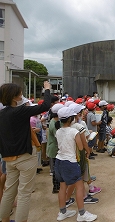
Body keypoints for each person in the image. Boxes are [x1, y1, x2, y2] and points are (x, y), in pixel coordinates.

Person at [0, 81, 51, 222]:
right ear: (14, 97)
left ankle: (4, 219)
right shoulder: (21, 111)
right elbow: (46, 106)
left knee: (9, 191)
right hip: (25, 157)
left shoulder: (2, 114)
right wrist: (47, 89)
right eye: (20, 93)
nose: (21, 95)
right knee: (24, 193)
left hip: (9, 159)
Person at [54, 107, 97, 221]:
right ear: (71, 118)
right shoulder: (74, 131)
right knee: (79, 187)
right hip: (70, 162)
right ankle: (82, 214)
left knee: (63, 187)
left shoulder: (58, 131)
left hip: (59, 161)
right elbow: (81, 147)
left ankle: (63, 212)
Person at [47, 103, 64, 194]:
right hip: (54, 149)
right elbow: (58, 137)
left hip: (57, 149)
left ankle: (58, 186)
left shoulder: (57, 121)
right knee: (56, 170)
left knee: (58, 169)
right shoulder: (53, 123)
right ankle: (56, 187)